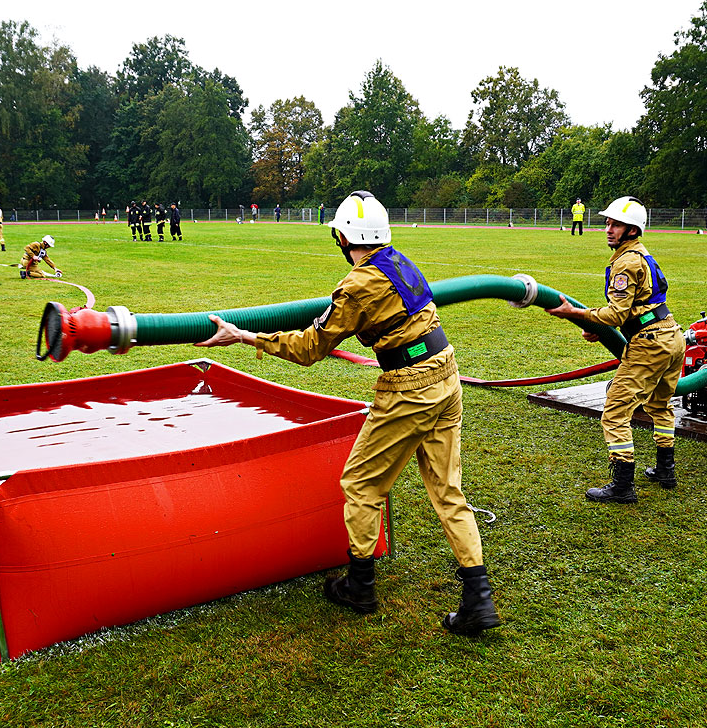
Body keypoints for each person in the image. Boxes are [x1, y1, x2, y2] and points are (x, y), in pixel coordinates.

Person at [194, 190, 500, 636]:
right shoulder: (402, 262)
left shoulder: (356, 286)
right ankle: (479, 597)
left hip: (409, 386)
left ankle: (360, 585)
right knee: (448, 491)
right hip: (446, 374)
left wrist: (243, 336)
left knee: (360, 484)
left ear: (342, 237)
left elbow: (309, 348)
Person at [545, 196, 685, 499]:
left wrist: (577, 314)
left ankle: (622, 485)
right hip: (672, 336)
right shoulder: (642, 255)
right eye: (608, 223)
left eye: (616, 224)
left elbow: (616, 314)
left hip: (649, 344)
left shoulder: (625, 262)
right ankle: (666, 469)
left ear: (633, 229)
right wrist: (605, 330)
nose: (608, 229)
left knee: (614, 413)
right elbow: (639, 307)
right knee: (660, 406)